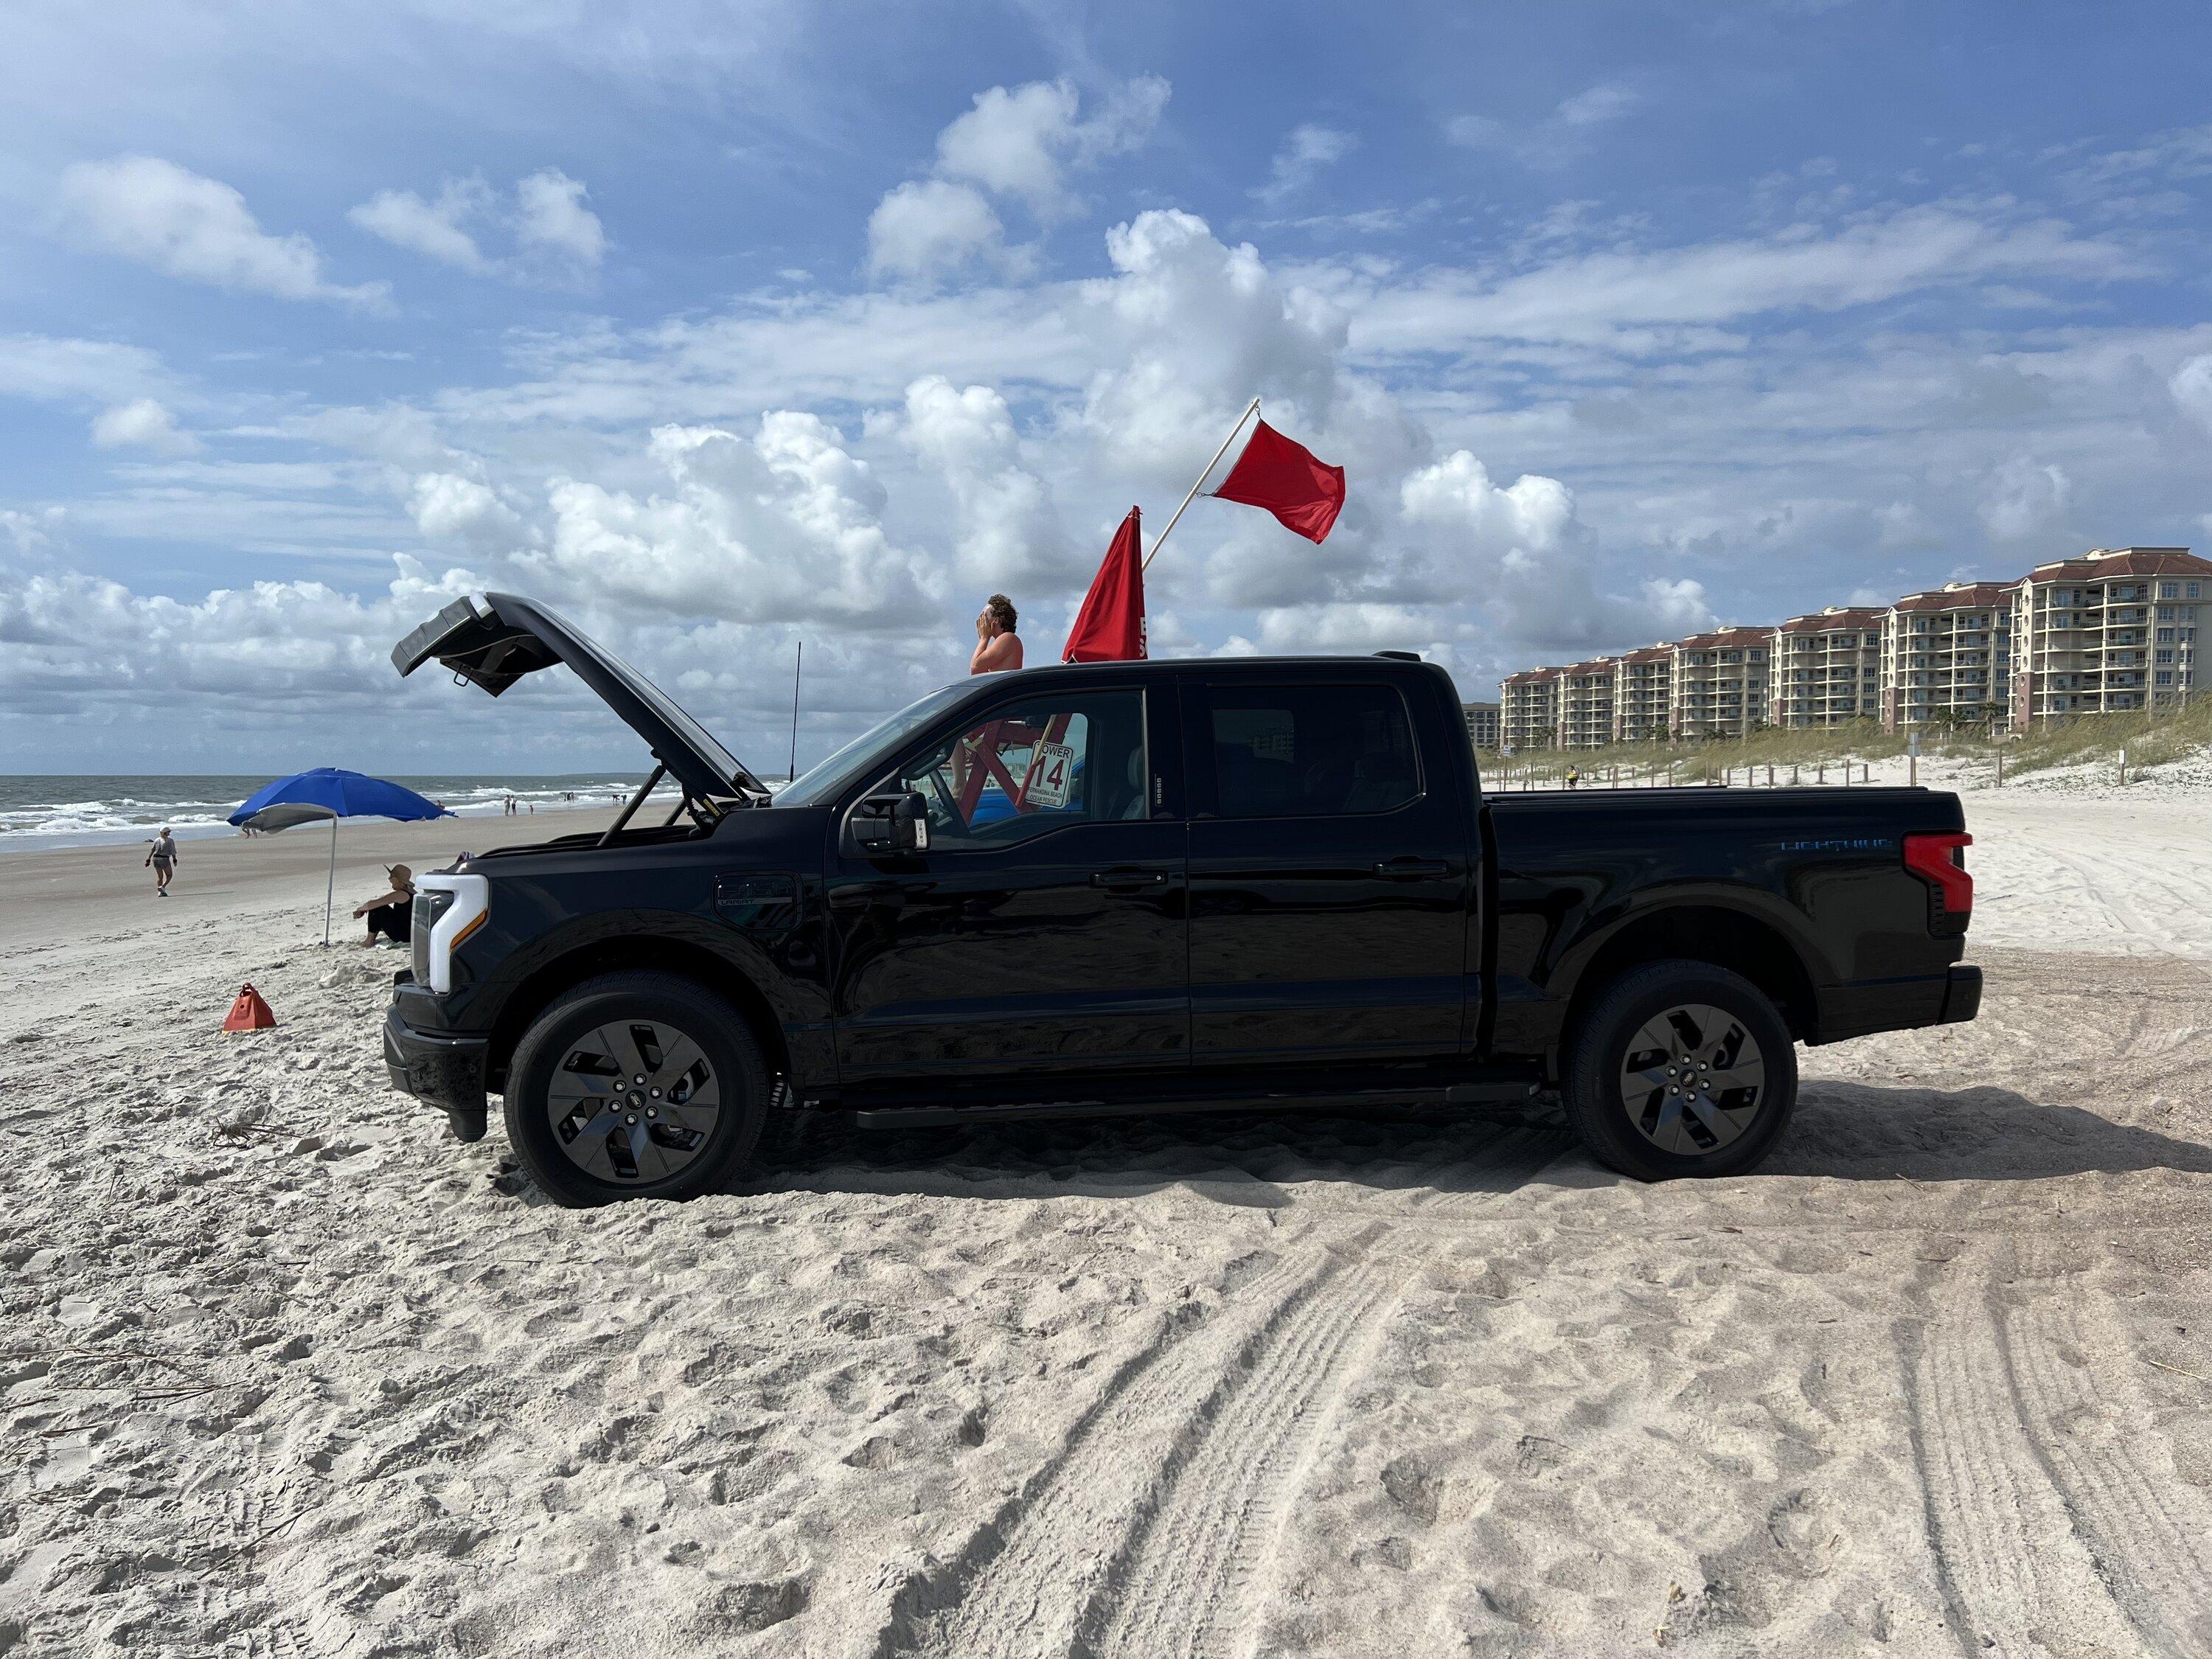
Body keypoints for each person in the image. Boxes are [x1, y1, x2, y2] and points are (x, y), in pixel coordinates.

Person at [353, 863, 416, 947]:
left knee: (378, 908)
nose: (389, 878)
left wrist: (360, 909)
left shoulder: (401, 894)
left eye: (392, 877)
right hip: (411, 933)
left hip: (403, 936)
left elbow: (373, 904)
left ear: (397, 880)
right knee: (379, 908)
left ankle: (369, 941)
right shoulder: (412, 892)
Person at [970, 594, 1023, 674]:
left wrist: (984, 638)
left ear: (997, 619)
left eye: (984, 615)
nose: (981, 620)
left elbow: (975, 669)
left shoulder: (1008, 638)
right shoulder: (1003, 641)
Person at [145, 827, 178, 896]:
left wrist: (148, 859)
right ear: (165, 833)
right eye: (168, 832)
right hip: (164, 859)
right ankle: (162, 887)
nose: (169, 833)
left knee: (160, 877)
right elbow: (173, 851)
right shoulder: (170, 840)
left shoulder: (157, 840)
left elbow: (153, 849)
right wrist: (174, 859)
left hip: (155, 859)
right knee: (169, 876)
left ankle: (160, 893)